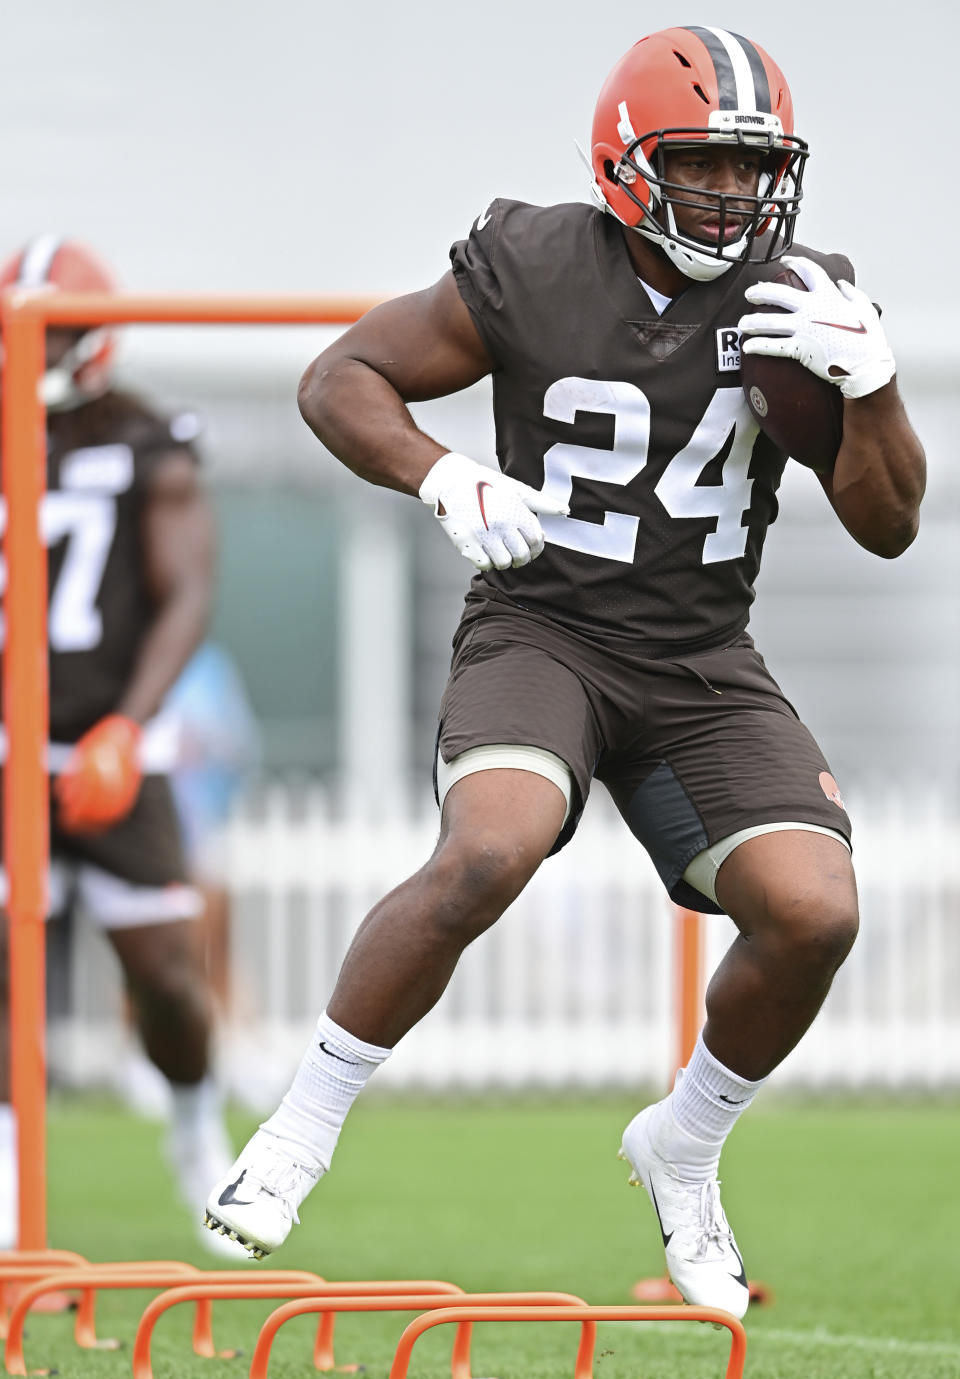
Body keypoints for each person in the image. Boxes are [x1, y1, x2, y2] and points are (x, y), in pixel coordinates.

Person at [205, 27, 925, 1312]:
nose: (732, 194)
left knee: (817, 910)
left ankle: (685, 1148)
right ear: (628, 159)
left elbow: (888, 523)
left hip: (700, 655)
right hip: (544, 629)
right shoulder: (537, 260)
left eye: (752, 168)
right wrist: (442, 472)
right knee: (490, 848)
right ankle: (299, 1130)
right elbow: (341, 379)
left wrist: (871, 389)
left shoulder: (794, 294)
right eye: (701, 163)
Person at [0, 236, 233, 1250]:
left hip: (109, 746)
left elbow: (184, 591)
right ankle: (10, 1188)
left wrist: (126, 728)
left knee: (167, 975)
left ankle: (193, 1127)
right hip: (10, 753)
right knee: (9, 981)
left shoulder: (147, 436)